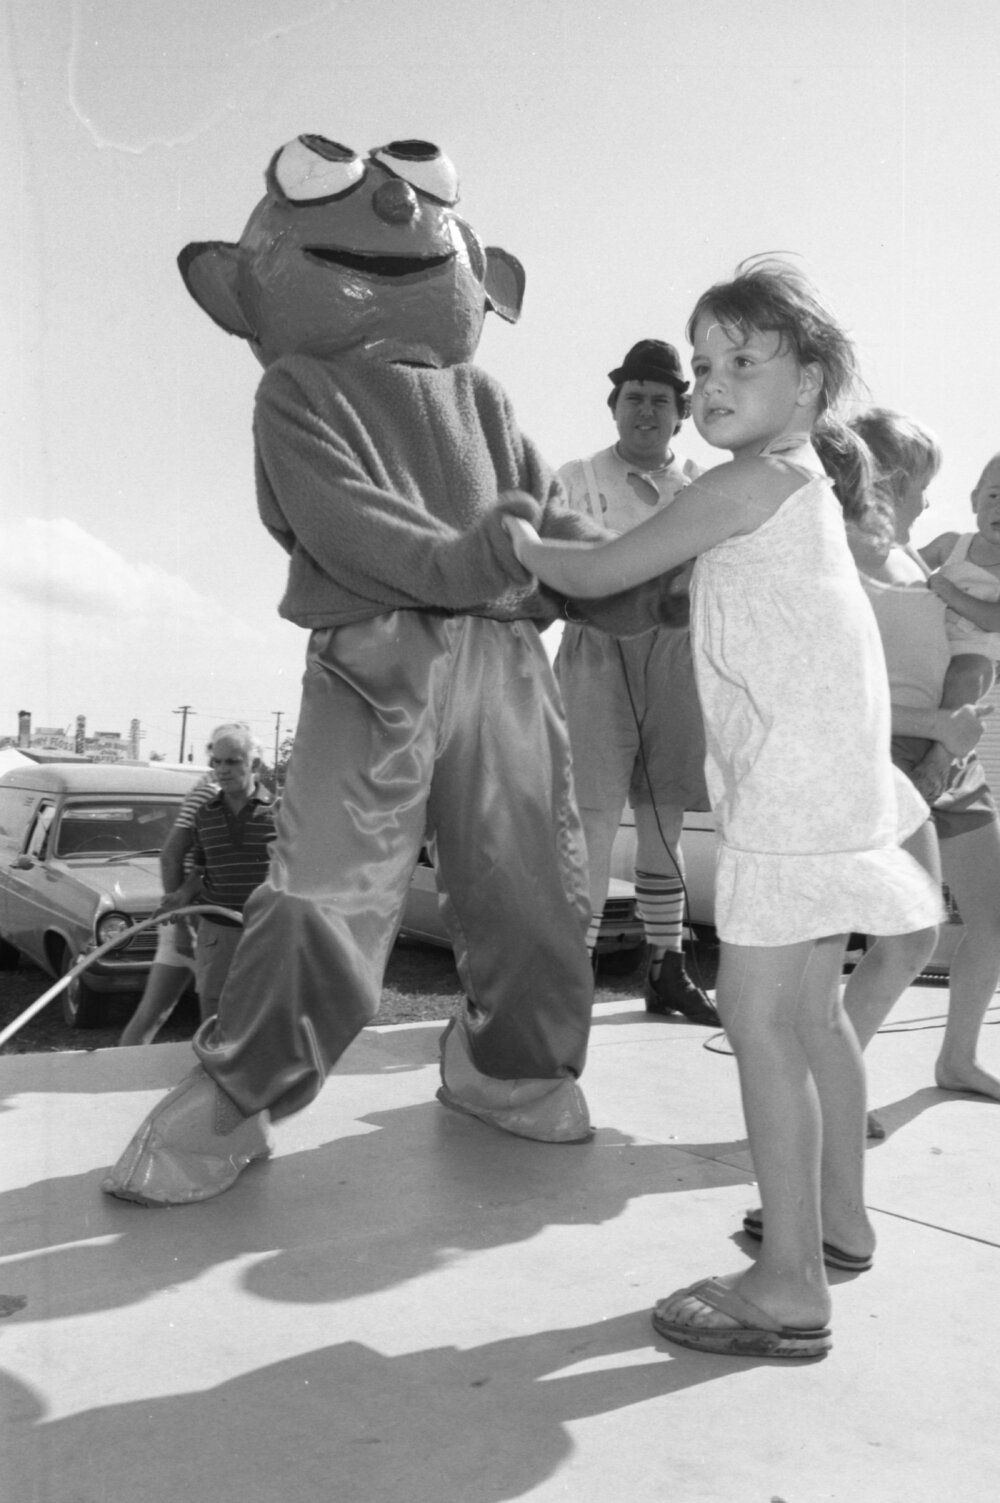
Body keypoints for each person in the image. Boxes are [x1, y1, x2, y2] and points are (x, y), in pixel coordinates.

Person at [102, 132, 675, 1208]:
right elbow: (342, 520)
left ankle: (509, 1066)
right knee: (329, 888)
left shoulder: (489, 404)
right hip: (374, 652)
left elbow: (551, 534)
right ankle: (243, 1091)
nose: (398, 215)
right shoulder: (298, 392)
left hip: (505, 664)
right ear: (243, 289)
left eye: (420, 200)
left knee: (536, 887)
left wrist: (630, 588)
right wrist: (469, 559)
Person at [504, 259, 942, 1360]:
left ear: (809, 386)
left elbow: (603, 569)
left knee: (756, 1024)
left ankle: (790, 1283)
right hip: (828, 788)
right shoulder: (789, 494)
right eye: (701, 364)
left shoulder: (748, 484)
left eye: (741, 361)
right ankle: (835, 1223)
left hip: (787, 799)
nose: (708, 384)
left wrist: (507, 538)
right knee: (810, 1019)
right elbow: (671, 590)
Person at [841, 409, 1000, 1110]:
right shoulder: (846, 552)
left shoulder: (911, 556)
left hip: (954, 757)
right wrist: (937, 731)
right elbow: (842, 691)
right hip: (899, 755)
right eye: (923, 485)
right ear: (892, 481)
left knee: (992, 919)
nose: (931, 500)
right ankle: (829, 1090)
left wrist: (951, 736)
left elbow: (970, 646)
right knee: (907, 938)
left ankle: (958, 1057)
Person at [555, 340, 717, 1025]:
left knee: (664, 818)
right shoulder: (577, 474)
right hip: (598, 648)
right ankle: (569, 977)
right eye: (633, 397)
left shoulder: (701, 485)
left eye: (660, 399)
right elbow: (562, 562)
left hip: (676, 654)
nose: (645, 410)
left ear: (680, 412)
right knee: (591, 817)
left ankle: (666, 963)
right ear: (615, 406)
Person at [156, 724, 278, 1022]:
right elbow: (200, 869)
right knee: (214, 1018)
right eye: (217, 762)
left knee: (260, 1018)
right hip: (216, 932)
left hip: (264, 932)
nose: (222, 770)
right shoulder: (205, 813)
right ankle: (210, 1069)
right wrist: (181, 897)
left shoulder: (280, 812)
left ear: (255, 764)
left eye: (233, 761)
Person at [916, 450, 1000, 794]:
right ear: (974, 500)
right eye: (995, 495)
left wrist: (950, 593)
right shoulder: (951, 545)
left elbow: (995, 619)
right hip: (930, 641)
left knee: (968, 675)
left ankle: (939, 759)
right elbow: (906, 566)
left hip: (973, 652)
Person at [118, 763, 219, 1047]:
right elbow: (171, 857)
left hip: (198, 920)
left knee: (155, 1013)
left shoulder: (239, 798)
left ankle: (121, 1080)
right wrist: (183, 923)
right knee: (217, 1023)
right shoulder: (209, 793)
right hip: (199, 922)